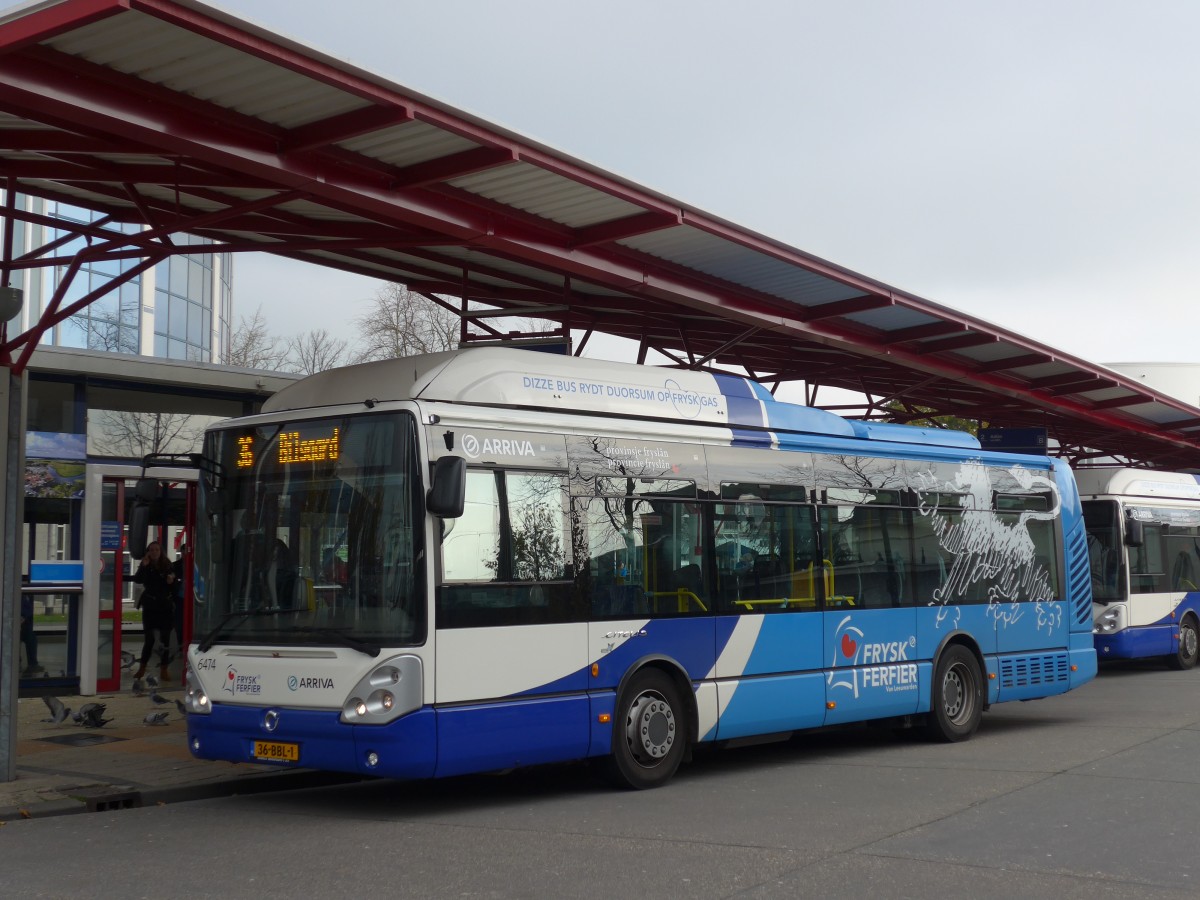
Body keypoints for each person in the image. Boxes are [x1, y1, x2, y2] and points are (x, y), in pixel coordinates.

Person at [132, 541, 176, 682]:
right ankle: (142, 668)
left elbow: (174, 583)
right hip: (150, 605)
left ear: (161, 551)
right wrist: (143, 567)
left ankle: (164, 669)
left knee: (165, 638)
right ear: (148, 552)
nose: (154, 552)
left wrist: (171, 581)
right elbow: (138, 579)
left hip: (164, 606)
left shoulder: (167, 565)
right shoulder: (146, 565)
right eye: (151, 550)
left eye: (157, 549)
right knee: (149, 639)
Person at [20, 591, 41, 676]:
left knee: (31, 638)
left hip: (22, 624)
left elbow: (27, 609)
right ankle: (32, 664)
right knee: (30, 638)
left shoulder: (24, 595)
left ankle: (32, 664)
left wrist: (22, 617)